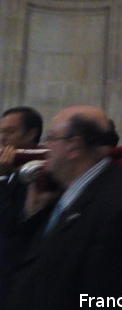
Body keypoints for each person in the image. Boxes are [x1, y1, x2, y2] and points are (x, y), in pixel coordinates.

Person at [3, 105, 122, 309]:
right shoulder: (67, 190)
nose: (47, 147)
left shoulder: (116, 206)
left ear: (74, 146)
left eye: (53, 138)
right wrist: (32, 215)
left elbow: (107, 296)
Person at [0, 106, 44, 305]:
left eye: (9, 132)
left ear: (31, 134)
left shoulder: (39, 174)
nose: (2, 138)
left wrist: (2, 177)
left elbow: (8, 225)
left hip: (16, 277)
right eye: (0, 131)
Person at [0, 106, 43, 176]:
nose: (2, 138)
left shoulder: (42, 169)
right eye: (1, 132)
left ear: (31, 134)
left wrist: (3, 175)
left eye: (10, 131)